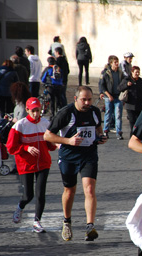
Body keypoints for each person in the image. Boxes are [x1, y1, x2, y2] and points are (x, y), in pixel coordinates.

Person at [43, 86, 108, 241]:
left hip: (89, 155)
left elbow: (98, 128)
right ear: (75, 99)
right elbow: (47, 136)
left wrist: (101, 137)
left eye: (89, 99)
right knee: (69, 191)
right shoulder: (66, 113)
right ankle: (67, 221)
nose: (87, 102)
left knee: (90, 189)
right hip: (69, 157)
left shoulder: (94, 111)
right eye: (83, 99)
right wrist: (68, 141)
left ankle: (90, 226)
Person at [7, 97, 56, 233]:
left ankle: (37, 221)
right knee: (28, 195)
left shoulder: (46, 123)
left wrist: (56, 144)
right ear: (27, 110)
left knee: (41, 194)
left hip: (44, 163)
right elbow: (11, 147)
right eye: (33, 111)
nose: (36, 113)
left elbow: (49, 145)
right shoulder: (19, 125)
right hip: (26, 164)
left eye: (38, 110)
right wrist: (26, 148)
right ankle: (20, 207)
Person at [99, 55, 127, 139]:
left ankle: (119, 132)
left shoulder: (120, 72)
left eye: (117, 62)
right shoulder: (106, 72)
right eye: (115, 62)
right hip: (109, 96)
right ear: (111, 63)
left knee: (118, 114)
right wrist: (107, 94)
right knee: (108, 113)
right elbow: (102, 85)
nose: (117, 64)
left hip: (118, 96)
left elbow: (124, 82)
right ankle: (106, 130)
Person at [118, 65, 142, 134]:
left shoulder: (141, 82)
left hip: (139, 105)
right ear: (132, 72)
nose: (137, 74)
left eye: (138, 72)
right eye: (136, 72)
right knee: (132, 121)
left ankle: (137, 135)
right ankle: (132, 136)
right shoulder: (127, 80)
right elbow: (119, 88)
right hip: (130, 105)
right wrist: (127, 85)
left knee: (139, 121)